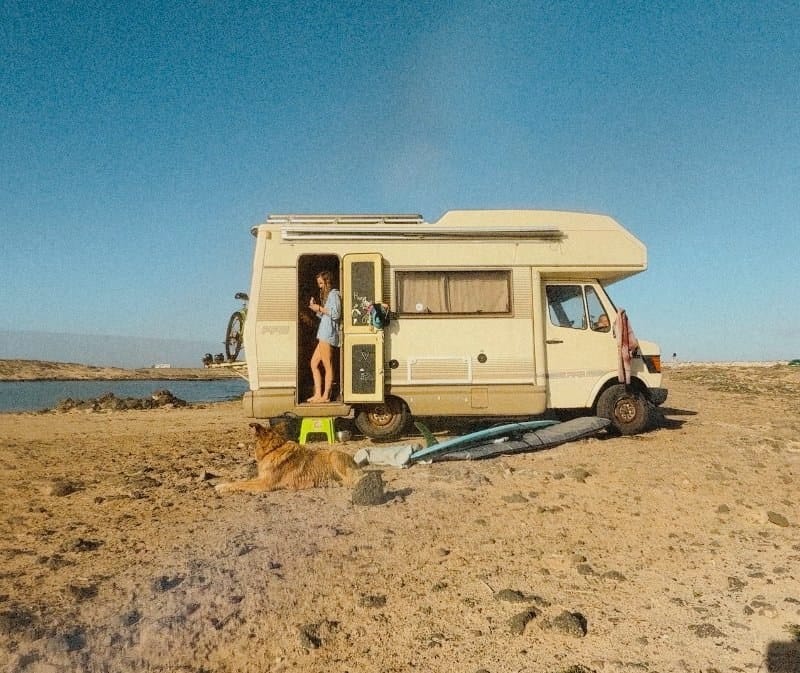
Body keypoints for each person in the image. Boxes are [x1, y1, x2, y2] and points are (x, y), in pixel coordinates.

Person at [307, 270, 341, 403]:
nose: (320, 286)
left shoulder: (334, 294)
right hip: (323, 333)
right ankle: (318, 394)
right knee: (313, 363)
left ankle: (325, 396)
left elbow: (336, 314)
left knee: (327, 365)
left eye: (321, 283)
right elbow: (326, 315)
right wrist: (316, 309)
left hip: (328, 334)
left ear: (327, 282)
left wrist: (319, 308)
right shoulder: (329, 296)